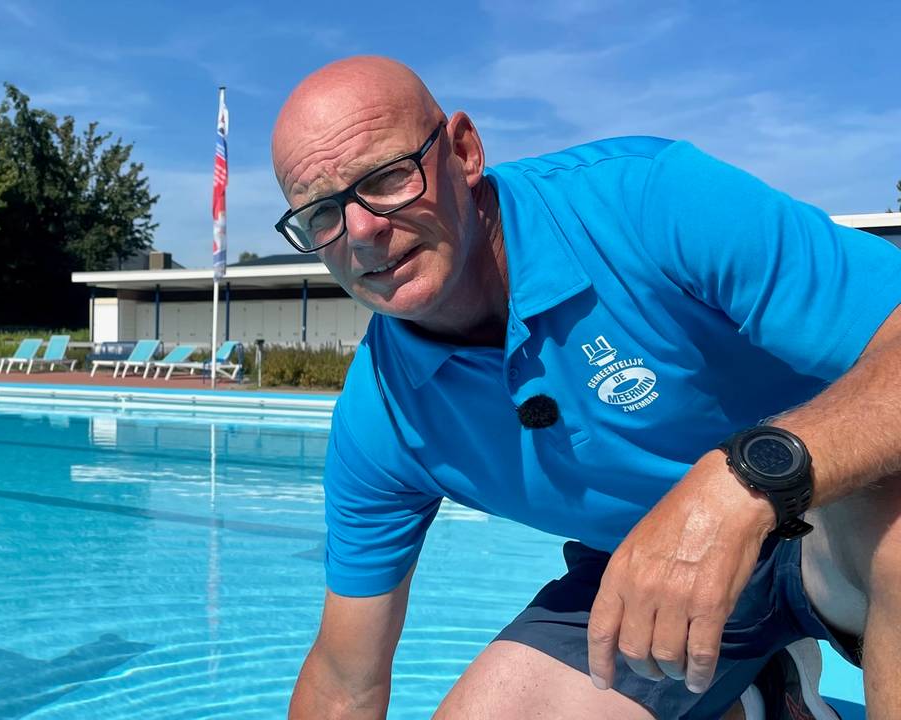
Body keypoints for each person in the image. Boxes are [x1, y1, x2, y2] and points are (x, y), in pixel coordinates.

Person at [270, 55, 901, 719]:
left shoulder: (646, 202)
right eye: (322, 214)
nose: (361, 231)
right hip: (641, 581)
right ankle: (759, 696)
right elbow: (346, 680)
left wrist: (741, 484)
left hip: (835, 513)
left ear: (462, 151)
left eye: (388, 177)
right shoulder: (384, 414)